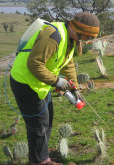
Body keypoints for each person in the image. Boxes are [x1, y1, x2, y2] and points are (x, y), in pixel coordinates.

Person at [10, 12, 99, 165]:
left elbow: (68, 64)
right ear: (78, 29)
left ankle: (42, 156)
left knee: (47, 119)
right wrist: (56, 81)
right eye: (87, 36)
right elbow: (34, 63)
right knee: (38, 124)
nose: (87, 40)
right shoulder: (53, 35)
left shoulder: (70, 39)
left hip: (41, 84)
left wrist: (74, 88)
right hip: (25, 82)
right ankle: (39, 161)